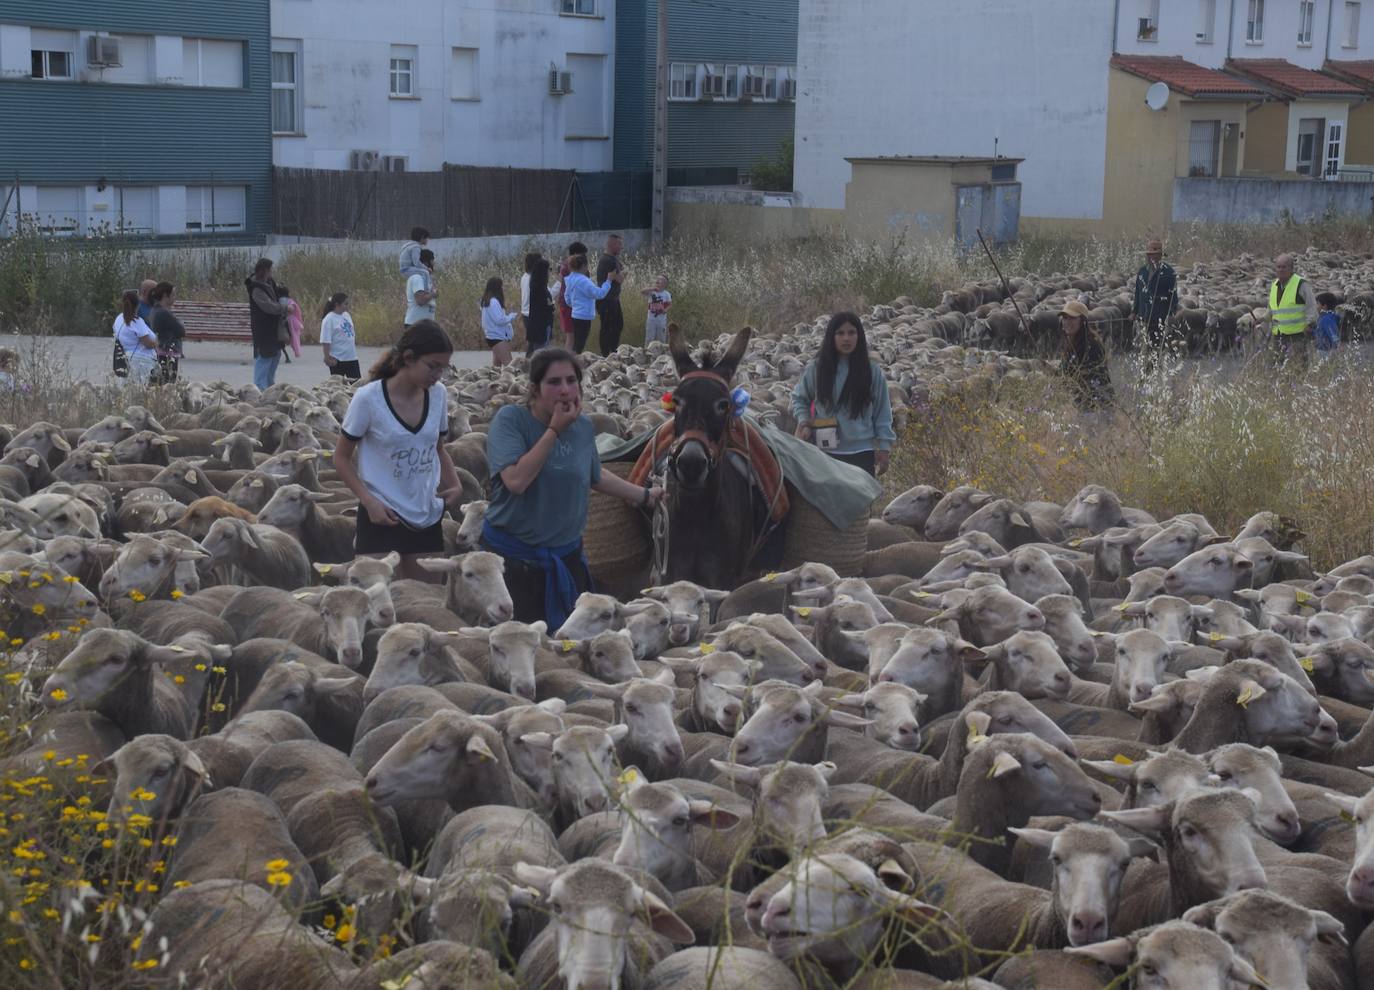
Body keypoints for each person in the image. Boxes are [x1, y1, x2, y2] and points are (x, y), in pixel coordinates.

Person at [482, 348, 665, 628]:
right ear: (535, 388)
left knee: (570, 642)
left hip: (567, 558)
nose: (565, 390)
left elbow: (594, 475)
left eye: (571, 380)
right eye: (554, 382)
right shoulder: (511, 420)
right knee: (520, 643)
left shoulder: (581, 426)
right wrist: (554, 431)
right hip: (516, 563)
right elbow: (516, 481)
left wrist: (644, 495)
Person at [334, 320, 464, 582]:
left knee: (425, 600)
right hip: (381, 516)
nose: (438, 375)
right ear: (408, 358)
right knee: (377, 600)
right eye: (432, 366)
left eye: (443, 368)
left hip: (425, 515)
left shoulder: (438, 395)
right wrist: (369, 502)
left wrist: (455, 484)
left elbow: (438, 448)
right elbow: (341, 457)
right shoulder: (368, 399)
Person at [790, 312, 895, 476]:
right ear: (831, 337)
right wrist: (804, 422)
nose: (846, 338)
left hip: (861, 452)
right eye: (840, 333)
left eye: (852, 333)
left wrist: (884, 447)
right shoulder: (817, 369)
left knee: (860, 494)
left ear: (859, 336)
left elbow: (882, 411)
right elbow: (799, 398)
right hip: (825, 451)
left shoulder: (871, 371)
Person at [1131, 238, 1178, 373]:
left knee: (1157, 345)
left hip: (1159, 316)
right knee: (1144, 346)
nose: (1151, 257)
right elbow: (1138, 293)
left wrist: (1171, 313)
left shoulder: (1168, 272)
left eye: (1154, 254)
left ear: (1160, 255)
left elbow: (1173, 296)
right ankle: (1145, 372)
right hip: (1143, 315)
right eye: (1149, 254)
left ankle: (1155, 371)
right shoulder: (1142, 271)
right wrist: (1134, 311)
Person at [1058, 300, 1112, 410]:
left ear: (1082, 321)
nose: (1067, 322)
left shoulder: (1091, 345)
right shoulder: (1072, 342)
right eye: (1065, 318)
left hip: (1095, 405)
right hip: (1082, 402)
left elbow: (1086, 377)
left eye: (1072, 318)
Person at [563, 253, 621, 354]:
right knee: (579, 346)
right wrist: (608, 281)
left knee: (576, 343)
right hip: (584, 316)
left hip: (575, 314)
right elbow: (599, 294)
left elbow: (567, 297)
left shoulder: (570, 279)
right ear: (583, 266)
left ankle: (572, 360)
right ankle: (573, 361)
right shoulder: (584, 281)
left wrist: (574, 305)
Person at [1269, 252, 1318, 368]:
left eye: (1284, 267)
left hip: (1297, 336)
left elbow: (1311, 306)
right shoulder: (1274, 285)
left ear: (1291, 269)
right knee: (1278, 367)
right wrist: (1261, 319)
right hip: (1278, 335)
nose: (1281, 270)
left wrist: (1309, 324)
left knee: (1297, 367)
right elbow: (1272, 309)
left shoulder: (1301, 284)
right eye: (1278, 267)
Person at [245, 258, 286, 391]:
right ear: (264, 270)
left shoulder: (269, 282)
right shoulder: (255, 287)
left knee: (276, 353)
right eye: (270, 269)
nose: (271, 272)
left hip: (273, 326)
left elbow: (276, 297)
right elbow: (267, 306)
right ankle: (259, 387)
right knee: (265, 356)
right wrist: (284, 308)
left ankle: (269, 384)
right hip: (263, 328)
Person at [113, 289, 159, 385]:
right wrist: (157, 342)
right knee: (141, 387)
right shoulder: (137, 322)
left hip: (125, 359)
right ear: (138, 305)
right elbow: (148, 344)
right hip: (142, 361)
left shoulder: (119, 319)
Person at [594, 233, 626, 356]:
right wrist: (622, 274)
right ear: (612, 245)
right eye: (619, 244)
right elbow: (620, 279)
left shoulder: (614, 259)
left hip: (613, 299)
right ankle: (606, 354)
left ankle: (612, 350)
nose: (621, 247)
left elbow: (622, 272)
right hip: (606, 299)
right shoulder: (607, 260)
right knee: (608, 327)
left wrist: (621, 273)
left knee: (618, 324)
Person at [149, 281, 185, 384]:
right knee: (168, 384)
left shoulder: (155, 310)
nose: (174, 298)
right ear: (165, 296)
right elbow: (181, 331)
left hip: (161, 351)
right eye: (173, 295)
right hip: (168, 353)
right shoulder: (164, 313)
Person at [320, 292, 360, 379]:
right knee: (338, 385)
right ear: (337, 304)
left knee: (356, 384)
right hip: (337, 359)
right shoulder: (329, 319)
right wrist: (327, 357)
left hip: (351, 357)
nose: (347, 306)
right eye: (345, 304)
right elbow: (326, 341)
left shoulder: (346, 315)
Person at [480, 277, 516, 367]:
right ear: (497, 288)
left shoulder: (486, 301)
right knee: (510, 366)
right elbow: (499, 320)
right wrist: (511, 316)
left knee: (496, 366)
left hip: (492, 336)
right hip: (497, 337)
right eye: (501, 286)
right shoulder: (493, 302)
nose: (503, 288)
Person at [557, 240, 586, 351]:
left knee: (571, 337)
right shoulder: (571, 267)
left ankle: (568, 358)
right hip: (569, 304)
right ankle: (567, 359)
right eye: (582, 255)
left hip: (566, 303)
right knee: (571, 337)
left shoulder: (566, 265)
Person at [526, 257, 554, 358]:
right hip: (541, 325)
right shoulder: (540, 289)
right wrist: (551, 305)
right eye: (549, 269)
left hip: (539, 324)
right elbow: (545, 305)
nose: (549, 272)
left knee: (539, 352)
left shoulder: (537, 286)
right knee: (541, 354)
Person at [405, 249, 438, 329]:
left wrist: (432, 279)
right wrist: (433, 294)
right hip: (416, 325)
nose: (434, 263)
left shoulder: (425, 278)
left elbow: (435, 293)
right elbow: (421, 300)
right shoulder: (417, 278)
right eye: (432, 261)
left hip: (425, 325)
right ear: (426, 263)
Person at [640, 274, 672, 345]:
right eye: (657, 279)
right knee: (649, 338)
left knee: (661, 338)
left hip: (661, 320)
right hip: (651, 319)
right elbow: (642, 291)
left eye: (660, 280)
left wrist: (665, 310)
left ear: (664, 284)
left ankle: (661, 351)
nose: (657, 281)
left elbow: (670, 304)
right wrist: (652, 289)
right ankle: (647, 350)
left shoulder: (666, 294)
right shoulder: (651, 292)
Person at [275, 284, 303, 364]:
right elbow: (292, 309)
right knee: (294, 338)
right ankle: (296, 351)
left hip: (283, 323)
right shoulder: (290, 300)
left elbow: (289, 309)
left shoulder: (279, 300)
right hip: (292, 322)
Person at [518, 252, 539, 350]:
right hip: (533, 314)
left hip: (526, 313)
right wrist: (559, 283)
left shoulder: (524, 277)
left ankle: (529, 358)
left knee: (532, 343)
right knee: (536, 344)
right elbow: (548, 294)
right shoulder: (534, 279)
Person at [1315, 291, 1341, 356]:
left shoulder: (1327, 319)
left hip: (1325, 351)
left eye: (1317, 304)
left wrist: (1337, 346)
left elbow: (1333, 333)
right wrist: (1312, 332)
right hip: (1322, 349)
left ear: (1324, 306)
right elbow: (1321, 332)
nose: (1316, 306)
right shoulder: (1324, 317)